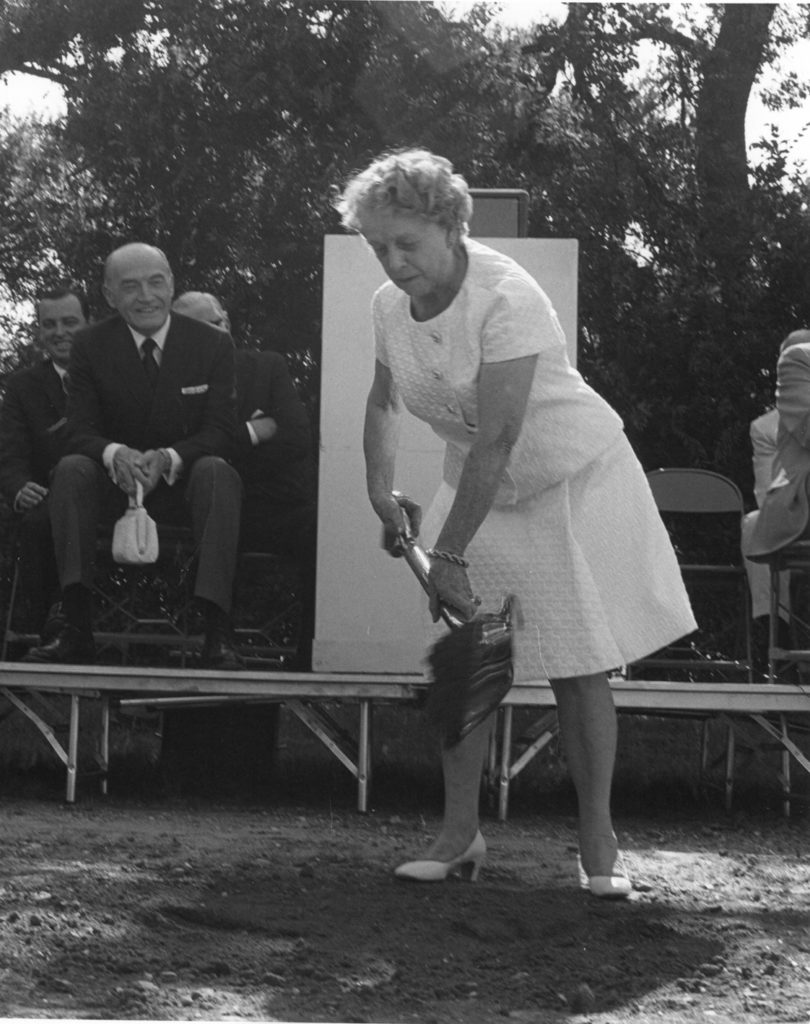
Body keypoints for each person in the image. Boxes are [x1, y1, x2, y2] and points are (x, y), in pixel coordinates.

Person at [337, 149, 696, 898]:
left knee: (577, 661)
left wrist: (449, 553)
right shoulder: (384, 306)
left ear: (451, 226)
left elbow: (500, 438)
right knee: (470, 656)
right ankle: (460, 833)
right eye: (379, 246)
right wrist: (380, 491)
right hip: (475, 484)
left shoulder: (508, 295)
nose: (393, 261)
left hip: (570, 476)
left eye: (407, 243)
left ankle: (598, 842)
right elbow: (382, 402)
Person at [22, 243, 244, 669]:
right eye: (130, 286)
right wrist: (114, 453)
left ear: (172, 284)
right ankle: (75, 626)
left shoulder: (211, 344)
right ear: (109, 295)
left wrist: (169, 457)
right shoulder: (90, 344)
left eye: (155, 283)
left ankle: (218, 633)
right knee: (71, 470)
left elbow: (221, 431)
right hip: (112, 485)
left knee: (219, 473)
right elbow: (78, 429)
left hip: (182, 486)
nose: (145, 296)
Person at [171, 291, 318, 669]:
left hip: (270, 506)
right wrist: (255, 430)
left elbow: (296, 436)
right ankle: (218, 639)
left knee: (326, 532)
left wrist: (227, 449)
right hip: (206, 508)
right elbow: (183, 450)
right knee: (218, 497)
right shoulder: (171, 383)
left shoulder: (267, 368)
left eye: (217, 323)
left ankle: (311, 654)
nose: (215, 333)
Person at [0, 283, 89, 637]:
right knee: (36, 521)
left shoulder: (112, 376)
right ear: (39, 330)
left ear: (89, 323)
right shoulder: (23, 386)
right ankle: (38, 634)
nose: (60, 332)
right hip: (47, 496)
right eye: (49, 324)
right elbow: (8, 452)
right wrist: (19, 487)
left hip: (106, 492)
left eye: (70, 322)